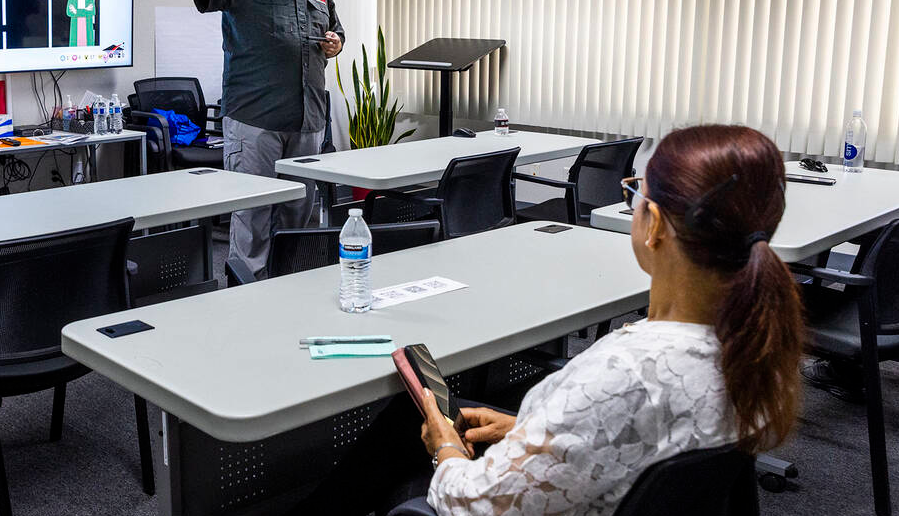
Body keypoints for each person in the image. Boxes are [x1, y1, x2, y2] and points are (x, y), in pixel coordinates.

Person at [290, 125, 805, 516]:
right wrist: (530, 429)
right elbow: (643, 437)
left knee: (428, 426)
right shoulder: (758, 341)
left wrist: (447, 451)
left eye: (636, 195)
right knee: (413, 412)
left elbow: (469, 505)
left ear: (655, 229)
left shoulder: (620, 374)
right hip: (612, 481)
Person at [189, 0, 345, 278]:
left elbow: (336, 33)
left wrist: (335, 44)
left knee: (297, 216)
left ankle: (286, 292)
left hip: (307, 121)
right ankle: (246, 299)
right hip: (255, 122)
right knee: (254, 215)